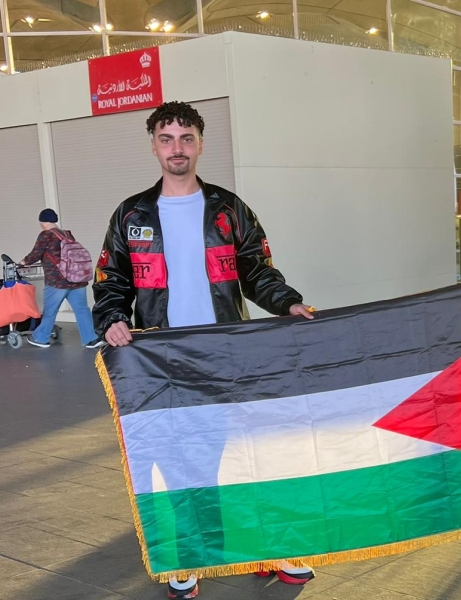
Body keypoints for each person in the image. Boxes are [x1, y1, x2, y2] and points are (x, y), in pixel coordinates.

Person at [91, 101, 315, 599]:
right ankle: (190, 555)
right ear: (154, 146)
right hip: (163, 359)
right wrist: (112, 319)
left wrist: (288, 303)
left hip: (227, 354)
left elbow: (258, 271)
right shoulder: (131, 214)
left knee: (248, 456)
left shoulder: (229, 209)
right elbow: (111, 280)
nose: (177, 148)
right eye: (167, 139)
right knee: (181, 462)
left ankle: (267, 548)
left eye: (186, 138)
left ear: (200, 144)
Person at [20, 208, 101, 349]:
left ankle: (41, 338)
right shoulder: (67, 234)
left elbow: (35, 254)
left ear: (42, 222)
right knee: (82, 309)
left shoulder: (45, 235)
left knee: (50, 311)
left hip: (57, 281)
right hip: (76, 279)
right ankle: (91, 339)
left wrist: (23, 262)